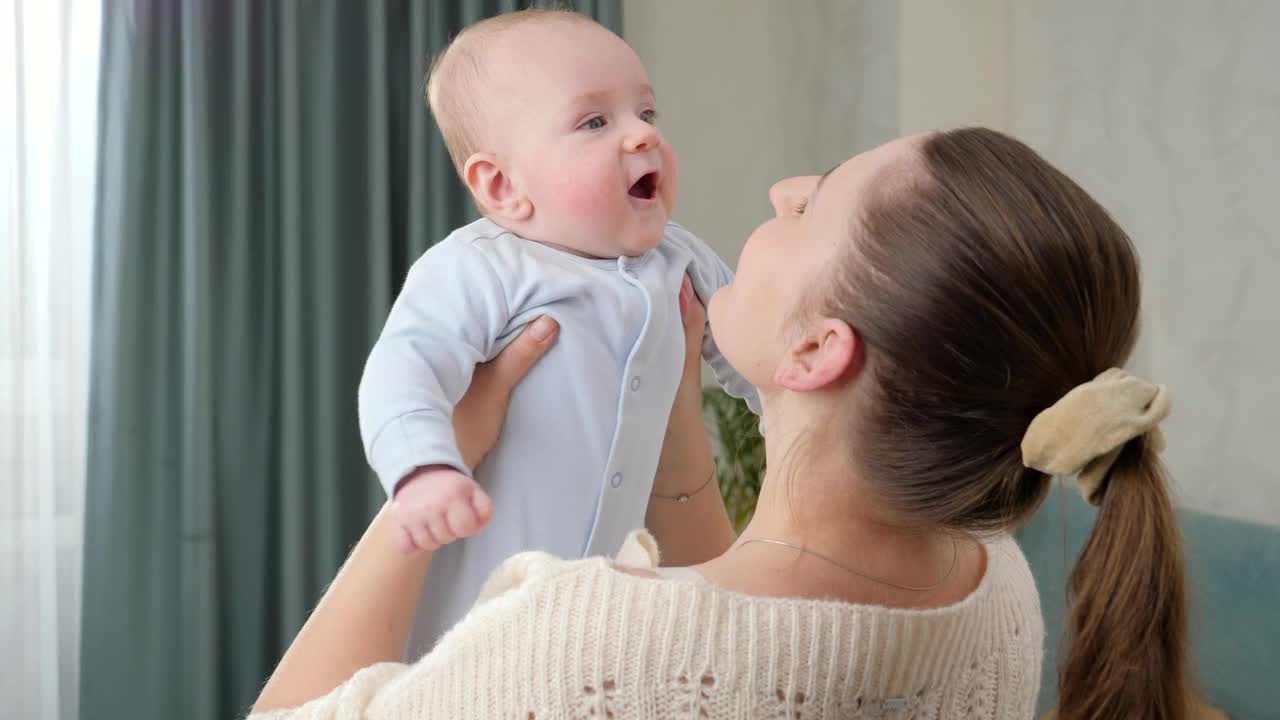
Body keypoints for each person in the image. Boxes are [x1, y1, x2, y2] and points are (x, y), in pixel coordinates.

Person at [255, 128, 1192, 719]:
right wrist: (676, 426)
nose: (786, 187)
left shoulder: (577, 644)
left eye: (815, 204)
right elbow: (736, 625)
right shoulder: (990, 587)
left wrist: (439, 460)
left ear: (818, 351)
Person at [356, 8, 757, 656]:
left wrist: (812, 427)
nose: (641, 137)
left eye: (646, 113)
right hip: (470, 620)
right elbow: (404, 371)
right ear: (503, 184)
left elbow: (759, 360)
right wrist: (423, 468)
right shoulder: (481, 267)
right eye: (595, 121)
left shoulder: (680, 260)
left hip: (590, 615)